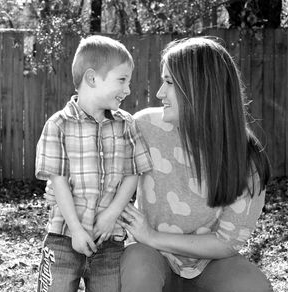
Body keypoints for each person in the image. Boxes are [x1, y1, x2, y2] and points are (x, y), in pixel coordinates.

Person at [117, 37, 273, 292]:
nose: (159, 93)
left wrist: (153, 235)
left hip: (209, 263)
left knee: (253, 286)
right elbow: (104, 168)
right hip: (150, 257)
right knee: (138, 268)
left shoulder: (247, 158)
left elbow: (227, 242)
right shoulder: (144, 127)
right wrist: (65, 186)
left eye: (168, 82)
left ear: (199, 90)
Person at [35, 35, 152, 292]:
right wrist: (76, 231)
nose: (128, 90)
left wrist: (111, 216)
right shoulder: (58, 125)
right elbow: (59, 182)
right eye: (122, 80)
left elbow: (133, 174)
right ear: (92, 78)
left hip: (109, 240)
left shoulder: (126, 124)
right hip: (63, 236)